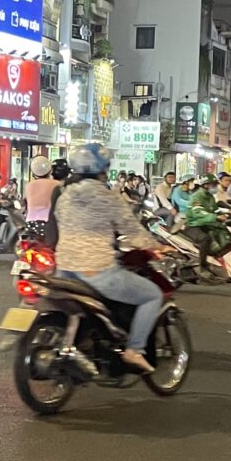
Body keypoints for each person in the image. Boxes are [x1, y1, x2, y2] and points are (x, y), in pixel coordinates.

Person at [54, 143, 165, 373]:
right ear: (103, 168)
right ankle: (135, 350)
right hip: (96, 270)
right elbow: (131, 230)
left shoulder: (65, 196)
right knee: (152, 295)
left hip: (64, 268)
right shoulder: (107, 196)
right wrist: (158, 246)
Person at [186, 173, 231, 280]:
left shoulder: (209, 196)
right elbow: (199, 213)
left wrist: (226, 214)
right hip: (193, 224)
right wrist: (215, 217)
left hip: (206, 224)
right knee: (205, 239)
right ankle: (202, 266)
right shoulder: (196, 196)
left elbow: (215, 209)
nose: (215, 186)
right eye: (213, 184)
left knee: (223, 234)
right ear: (205, 185)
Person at [26, 156, 62, 223]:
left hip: (31, 223)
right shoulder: (57, 184)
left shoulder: (29, 186)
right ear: (50, 170)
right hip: (50, 222)